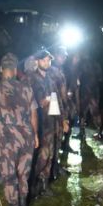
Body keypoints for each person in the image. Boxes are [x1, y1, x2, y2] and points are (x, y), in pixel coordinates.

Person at [0, 53, 39, 206]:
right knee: (23, 175)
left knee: (9, 177)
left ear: (1, 70)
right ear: (15, 70)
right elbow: (34, 114)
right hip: (27, 139)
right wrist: (35, 134)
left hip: (7, 142)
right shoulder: (27, 88)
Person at [29, 48, 60, 198]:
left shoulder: (50, 79)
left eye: (49, 60)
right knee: (42, 155)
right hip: (37, 125)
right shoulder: (30, 80)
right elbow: (29, 104)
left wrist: (60, 121)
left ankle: (44, 184)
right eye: (44, 60)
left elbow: (55, 101)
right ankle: (32, 182)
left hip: (50, 123)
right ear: (37, 61)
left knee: (50, 155)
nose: (47, 63)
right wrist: (42, 102)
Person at [49, 45, 71, 180]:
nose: (64, 58)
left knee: (57, 141)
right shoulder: (51, 72)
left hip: (59, 108)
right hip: (52, 111)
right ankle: (49, 172)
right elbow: (53, 96)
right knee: (51, 142)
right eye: (62, 55)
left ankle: (55, 166)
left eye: (65, 55)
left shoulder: (60, 70)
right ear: (55, 55)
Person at [75, 51, 103, 140]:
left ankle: (81, 133)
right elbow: (100, 78)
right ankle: (99, 133)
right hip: (95, 91)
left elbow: (77, 79)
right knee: (96, 112)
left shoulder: (80, 64)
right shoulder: (96, 64)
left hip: (84, 91)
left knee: (82, 113)